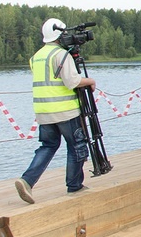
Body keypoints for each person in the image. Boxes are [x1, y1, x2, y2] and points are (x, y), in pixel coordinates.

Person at [15, 18, 96, 204]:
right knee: (76, 145)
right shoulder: (61, 55)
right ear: (60, 34)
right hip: (65, 110)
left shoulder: (36, 56)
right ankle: (74, 186)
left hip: (43, 111)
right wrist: (90, 81)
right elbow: (72, 82)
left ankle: (26, 181)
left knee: (48, 146)